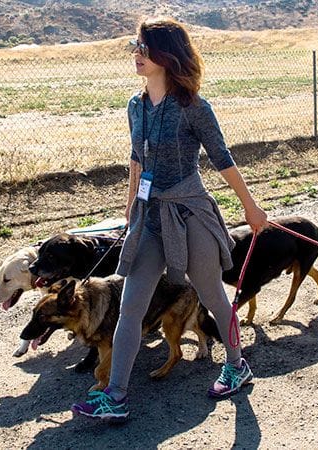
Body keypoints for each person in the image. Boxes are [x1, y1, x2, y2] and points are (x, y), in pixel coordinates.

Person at [71, 17, 268, 421]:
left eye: (144, 47)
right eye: (135, 46)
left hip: (189, 210)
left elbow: (221, 158)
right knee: (130, 304)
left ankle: (237, 363)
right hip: (149, 215)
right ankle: (117, 394)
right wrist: (130, 206)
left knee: (212, 294)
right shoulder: (135, 106)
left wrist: (250, 207)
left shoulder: (194, 106)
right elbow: (136, 158)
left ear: (166, 54)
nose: (136, 54)